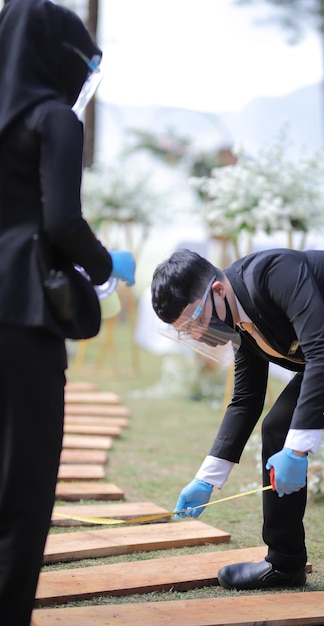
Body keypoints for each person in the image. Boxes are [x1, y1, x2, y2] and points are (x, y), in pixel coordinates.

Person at [151, 246, 324, 590]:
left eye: (195, 322)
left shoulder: (272, 273)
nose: (198, 335)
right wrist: (208, 478)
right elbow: (246, 400)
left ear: (217, 291)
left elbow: (321, 351)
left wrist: (297, 451)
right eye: (186, 332)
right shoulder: (237, 319)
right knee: (278, 428)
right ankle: (284, 562)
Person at [0, 1, 136, 624]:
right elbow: (60, 221)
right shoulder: (54, 119)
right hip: (22, 316)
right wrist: (106, 268)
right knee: (22, 487)